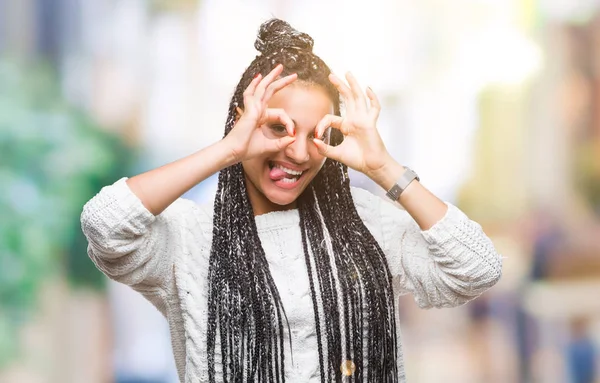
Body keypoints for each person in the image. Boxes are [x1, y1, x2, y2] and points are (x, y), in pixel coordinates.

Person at [81, 18, 502, 383]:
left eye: (317, 135)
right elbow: (106, 224)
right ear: (243, 125)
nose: (298, 153)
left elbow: (477, 269)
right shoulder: (189, 238)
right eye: (278, 128)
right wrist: (227, 150)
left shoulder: (368, 227)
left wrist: (382, 166)